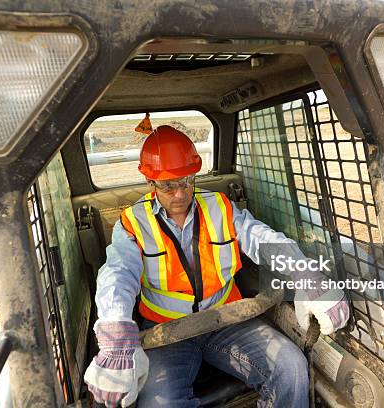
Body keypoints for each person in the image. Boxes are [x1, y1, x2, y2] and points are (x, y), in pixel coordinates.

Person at [84, 125, 349, 407]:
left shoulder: (220, 206)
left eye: (186, 180)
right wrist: (116, 335)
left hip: (226, 319)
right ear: (150, 182)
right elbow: (118, 274)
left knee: (291, 367)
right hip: (166, 331)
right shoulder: (132, 222)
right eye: (167, 185)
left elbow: (262, 239)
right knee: (160, 404)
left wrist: (306, 274)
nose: (179, 193)